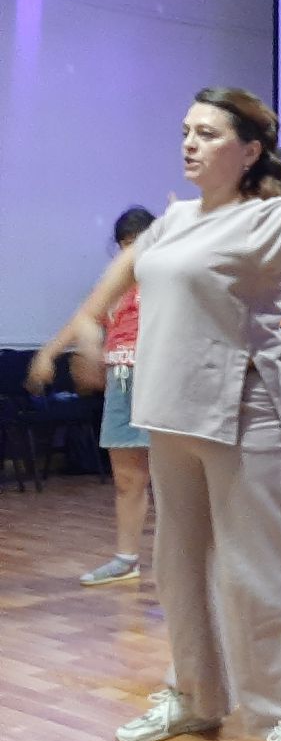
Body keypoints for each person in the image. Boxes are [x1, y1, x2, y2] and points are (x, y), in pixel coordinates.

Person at [28, 51, 281, 741]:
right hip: (170, 414)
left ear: (249, 151)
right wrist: (79, 332)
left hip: (246, 414)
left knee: (264, 574)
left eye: (207, 133)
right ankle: (197, 695)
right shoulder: (172, 220)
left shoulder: (268, 218)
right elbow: (113, 284)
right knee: (177, 569)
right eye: (186, 131)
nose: (190, 143)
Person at [36, 206, 157, 586]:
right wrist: (50, 353)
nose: (130, 252)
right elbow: (84, 318)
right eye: (125, 244)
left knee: (176, 476)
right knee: (127, 477)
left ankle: (193, 559)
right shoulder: (114, 286)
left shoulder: (166, 279)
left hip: (160, 379)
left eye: (138, 243)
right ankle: (126, 558)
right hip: (121, 381)